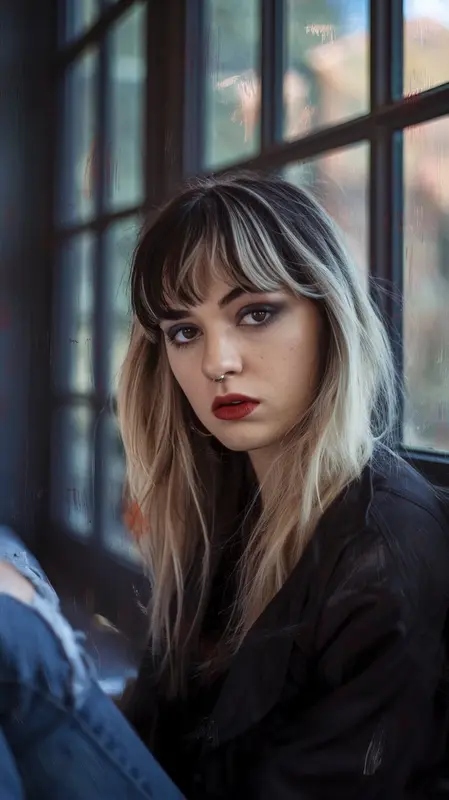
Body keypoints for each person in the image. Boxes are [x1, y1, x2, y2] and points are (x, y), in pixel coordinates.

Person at [0, 172, 449, 799]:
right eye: (185, 331)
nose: (217, 362)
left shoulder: (389, 547)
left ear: (331, 316)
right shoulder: (223, 506)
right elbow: (149, 733)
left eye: (256, 313)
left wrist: (39, 631)